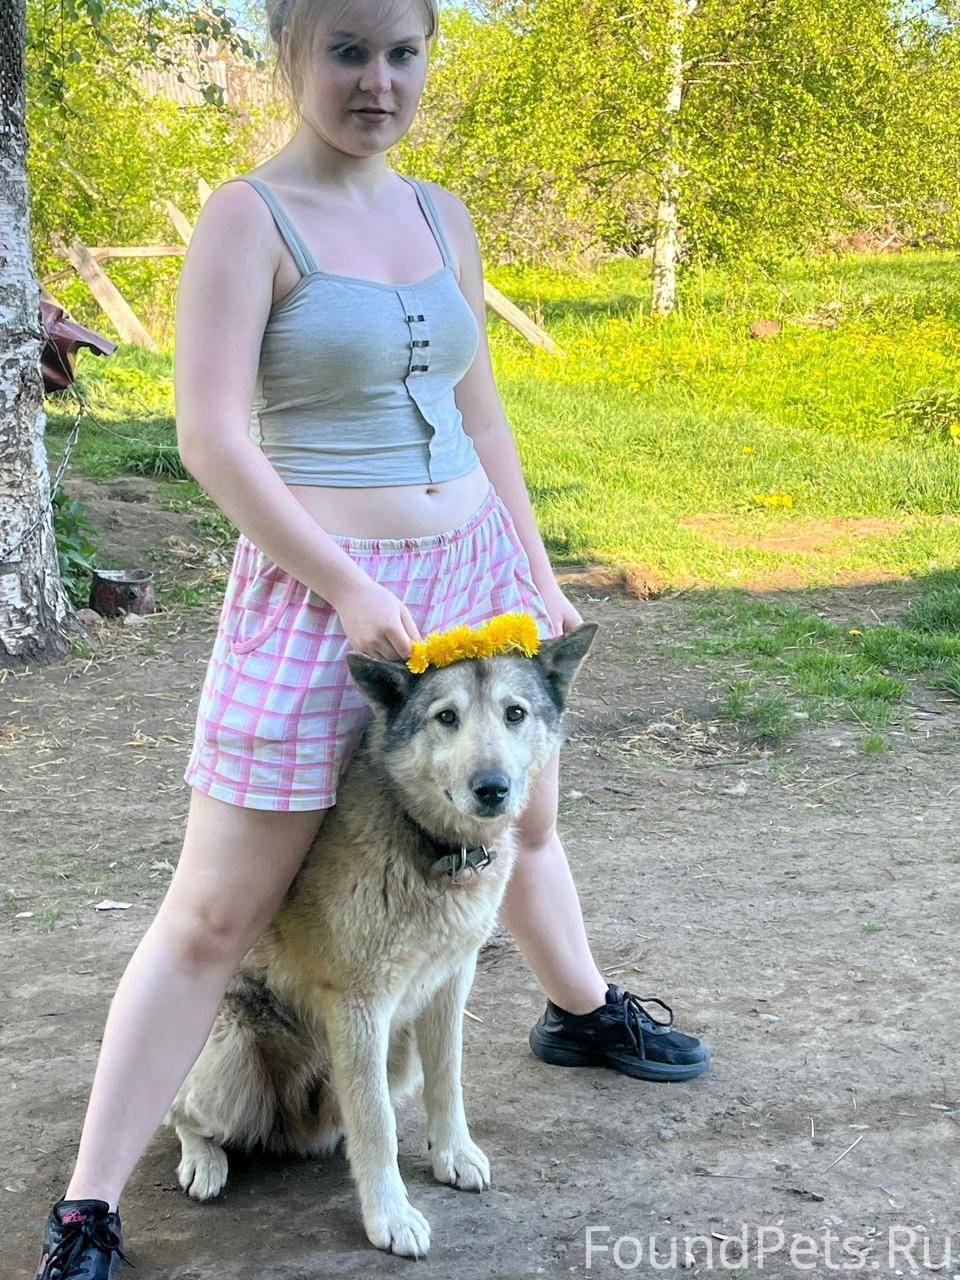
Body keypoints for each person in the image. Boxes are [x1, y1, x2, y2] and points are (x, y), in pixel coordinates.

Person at [34, 0, 709, 1273]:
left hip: (473, 575)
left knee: (521, 824)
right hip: (319, 594)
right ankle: (89, 1203)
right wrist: (344, 583)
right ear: (288, 52)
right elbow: (210, 438)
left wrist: (536, 571)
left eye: (403, 52)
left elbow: (481, 415)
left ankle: (578, 1010)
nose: (377, 81)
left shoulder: (443, 216)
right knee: (218, 909)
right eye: (346, 50)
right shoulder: (249, 218)